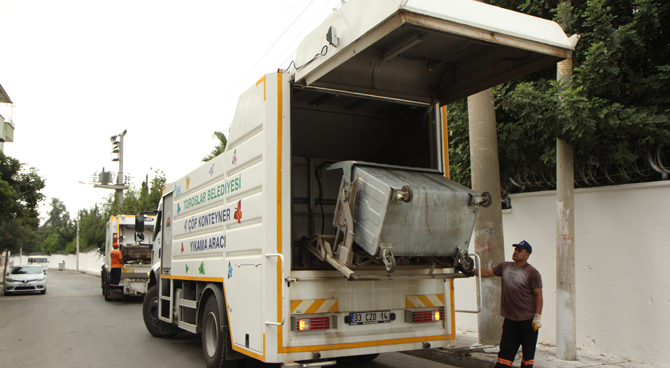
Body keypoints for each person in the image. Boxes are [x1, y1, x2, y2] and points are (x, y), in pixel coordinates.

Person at [475, 240, 543, 368]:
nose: (516, 252)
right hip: (510, 321)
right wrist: (468, 270)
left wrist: (537, 316)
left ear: (527, 255)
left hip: (527, 322)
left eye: (519, 250)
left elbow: (538, 295)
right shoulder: (504, 267)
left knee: (527, 358)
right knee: (504, 357)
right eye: (515, 250)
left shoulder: (532, 273)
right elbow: (487, 273)